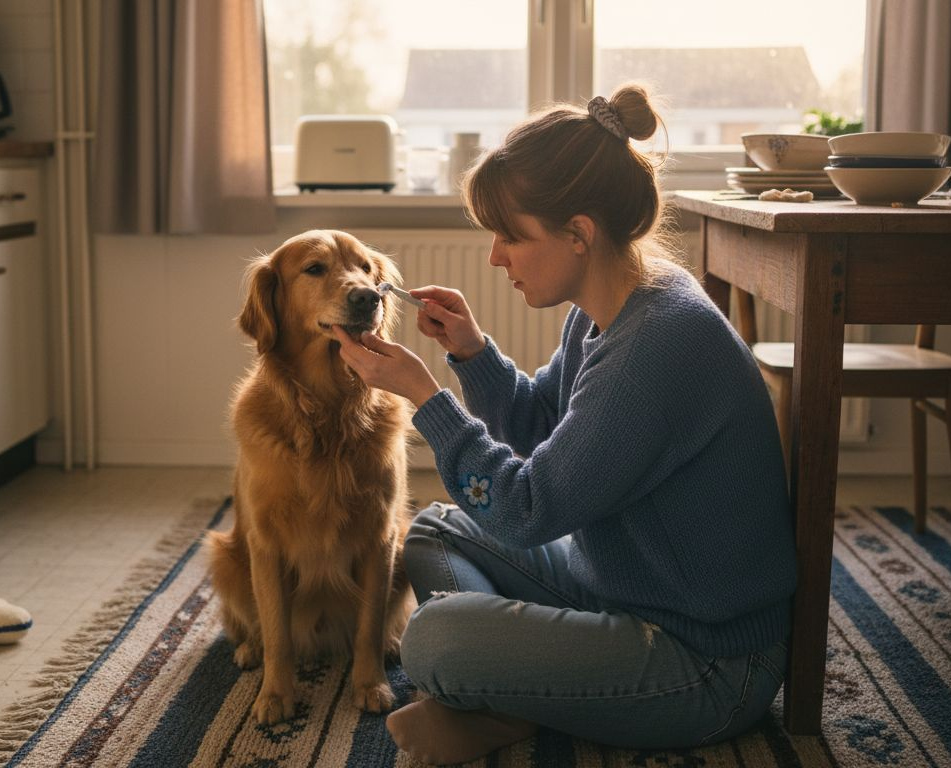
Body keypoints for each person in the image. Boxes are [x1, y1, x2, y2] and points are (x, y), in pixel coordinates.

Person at [329, 84, 796, 765]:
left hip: (707, 660)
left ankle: (513, 695)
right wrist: (472, 353)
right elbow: (546, 425)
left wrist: (427, 398)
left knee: (433, 639)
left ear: (578, 234)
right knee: (435, 530)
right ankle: (533, 685)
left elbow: (525, 509)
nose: (495, 257)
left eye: (510, 237)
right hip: (620, 587)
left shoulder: (657, 347)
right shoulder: (616, 303)